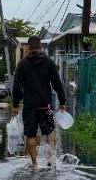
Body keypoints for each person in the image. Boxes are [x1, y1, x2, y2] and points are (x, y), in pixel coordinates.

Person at [11, 35, 67, 169]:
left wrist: (15, 104)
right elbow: (57, 83)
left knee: (30, 134)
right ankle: (49, 158)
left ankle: (34, 163)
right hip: (44, 105)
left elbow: (17, 86)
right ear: (41, 47)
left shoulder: (23, 64)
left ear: (28, 48)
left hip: (30, 105)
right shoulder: (49, 62)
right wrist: (62, 101)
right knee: (49, 130)